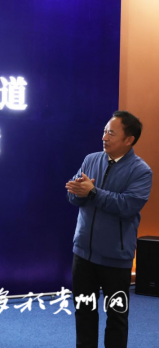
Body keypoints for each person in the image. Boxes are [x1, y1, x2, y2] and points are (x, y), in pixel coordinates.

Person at [66, 110, 152, 348]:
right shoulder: (91, 159)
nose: (104, 137)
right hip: (83, 254)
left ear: (129, 139)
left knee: (116, 317)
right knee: (84, 313)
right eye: (105, 131)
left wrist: (92, 192)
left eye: (111, 133)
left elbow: (127, 206)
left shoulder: (141, 171)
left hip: (116, 259)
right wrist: (78, 192)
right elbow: (73, 196)